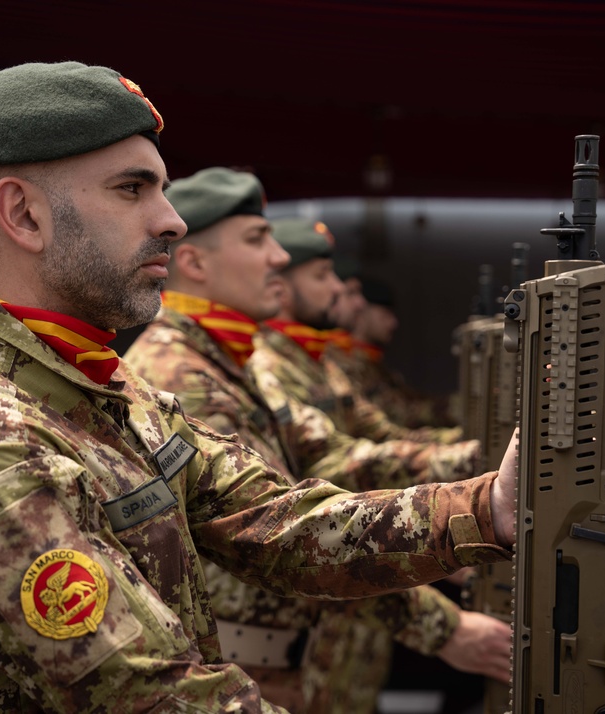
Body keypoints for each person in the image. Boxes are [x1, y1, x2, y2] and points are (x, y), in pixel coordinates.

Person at [0, 61, 605, 712]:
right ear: (22, 215)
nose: (171, 219)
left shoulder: (98, 390)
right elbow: (152, 695)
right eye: (132, 188)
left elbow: (276, 523)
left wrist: (491, 508)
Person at [123, 167, 510, 713]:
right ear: (195, 262)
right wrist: (444, 618)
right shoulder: (181, 377)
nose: (279, 258)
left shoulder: (239, 365)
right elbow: (282, 529)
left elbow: (336, 456)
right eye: (258, 240)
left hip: (287, 656)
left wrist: (479, 468)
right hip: (244, 670)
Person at [250, 218, 458, 446]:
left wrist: (466, 448)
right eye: (322, 275)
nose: (337, 287)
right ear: (281, 287)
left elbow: (382, 433)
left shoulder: (320, 361)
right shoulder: (265, 364)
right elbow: (330, 458)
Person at [324, 275, 458, 431]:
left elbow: (409, 402)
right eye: (385, 314)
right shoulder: (338, 360)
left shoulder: (367, 363)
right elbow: (400, 416)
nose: (393, 323)